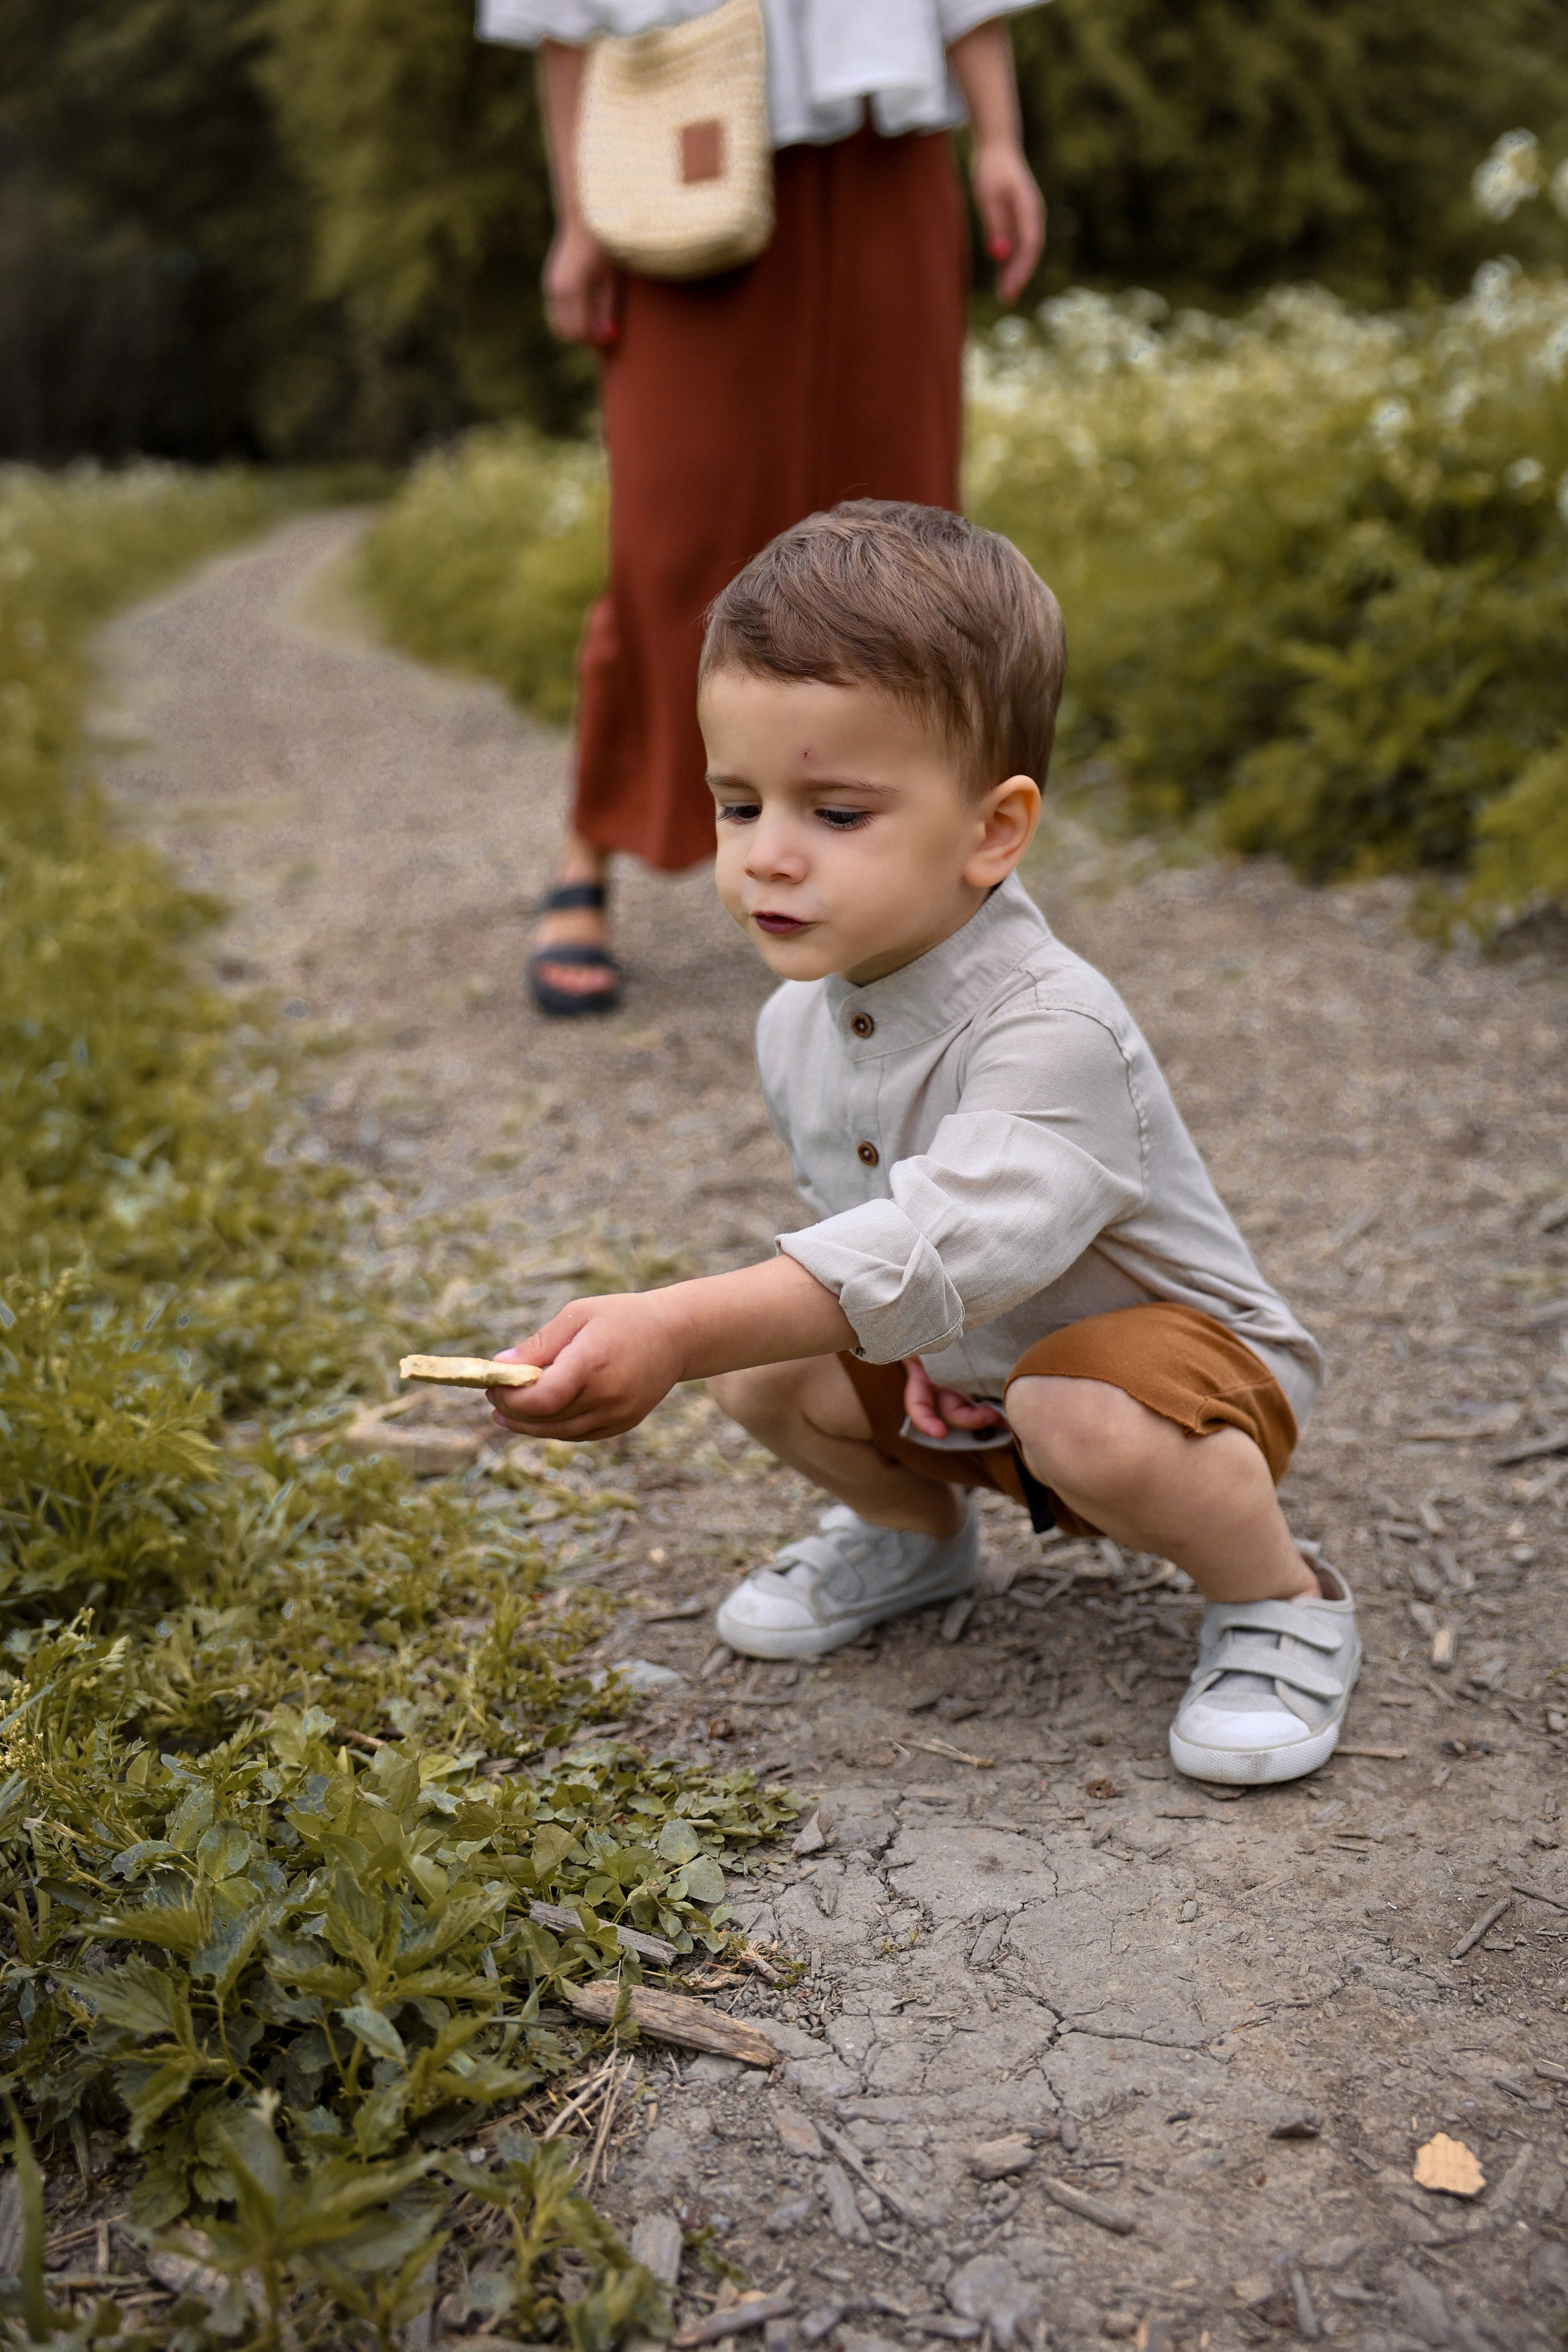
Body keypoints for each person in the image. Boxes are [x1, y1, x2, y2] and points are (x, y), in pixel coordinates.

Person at [486, 502, 1362, 1787]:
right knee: (760, 1366)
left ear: (992, 831)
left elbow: (942, 1237)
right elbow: (871, 1247)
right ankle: (911, 1534)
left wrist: (668, 1326)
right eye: (737, 806)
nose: (765, 859)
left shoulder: (1050, 1026)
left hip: (1178, 1379)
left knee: (1072, 1413)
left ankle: (1278, 1597)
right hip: (977, 1374)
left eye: (835, 814)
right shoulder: (797, 1021)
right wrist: (884, 1353)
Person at [475, 0, 1047, 1014]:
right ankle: (590, 843)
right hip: (679, 149)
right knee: (672, 543)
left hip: (887, 145)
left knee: (904, 538)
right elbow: (559, 18)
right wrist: (576, 215)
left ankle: (918, 889)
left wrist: (1000, 139)